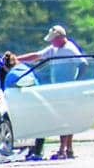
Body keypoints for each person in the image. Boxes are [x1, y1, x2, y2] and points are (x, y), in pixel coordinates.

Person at [17, 25, 85, 159]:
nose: (51, 42)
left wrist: (77, 82)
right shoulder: (54, 49)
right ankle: (69, 149)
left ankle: (62, 150)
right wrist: (17, 59)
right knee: (67, 119)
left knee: (64, 120)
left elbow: (83, 63)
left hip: (67, 88)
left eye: (53, 39)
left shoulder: (70, 49)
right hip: (58, 89)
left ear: (60, 38)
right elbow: (37, 56)